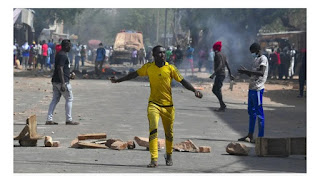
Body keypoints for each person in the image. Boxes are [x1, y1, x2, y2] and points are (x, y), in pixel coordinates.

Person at [110, 45, 203, 168]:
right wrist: (118, 80)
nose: (163, 55)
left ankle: (168, 155)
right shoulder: (149, 67)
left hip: (168, 106)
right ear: (154, 55)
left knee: (169, 134)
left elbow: (183, 81)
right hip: (153, 104)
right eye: (159, 53)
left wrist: (194, 90)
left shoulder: (170, 68)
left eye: (164, 53)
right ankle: (154, 159)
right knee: (153, 130)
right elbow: (134, 75)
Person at [237, 43, 269, 142]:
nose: (252, 54)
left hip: (258, 89)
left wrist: (248, 71)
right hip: (252, 88)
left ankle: (260, 137)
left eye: (253, 52)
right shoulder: (256, 59)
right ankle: (250, 135)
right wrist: (245, 72)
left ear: (257, 50)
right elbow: (253, 75)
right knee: (251, 113)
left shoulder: (263, 59)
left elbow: (261, 73)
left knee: (259, 113)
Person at [46, 39, 79, 125]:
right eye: (69, 46)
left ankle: (49, 119)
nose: (70, 48)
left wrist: (69, 74)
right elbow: (60, 68)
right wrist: (63, 83)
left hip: (56, 81)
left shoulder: (59, 54)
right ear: (66, 46)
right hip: (62, 82)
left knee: (55, 99)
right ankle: (69, 119)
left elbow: (63, 69)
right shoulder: (63, 55)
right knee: (69, 98)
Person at [209, 41, 234, 112]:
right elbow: (227, 65)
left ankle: (222, 105)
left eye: (213, 48)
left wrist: (213, 74)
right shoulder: (223, 55)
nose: (213, 49)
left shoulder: (217, 54)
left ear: (215, 48)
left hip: (219, 74)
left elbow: (220, 65)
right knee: (218, 90)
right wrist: (230, 74)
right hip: (222, 74)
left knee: (215, 90)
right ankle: (222, 105)